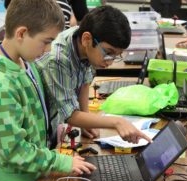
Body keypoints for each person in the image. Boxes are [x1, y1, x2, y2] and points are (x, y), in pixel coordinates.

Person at [0, 0, 96, 181]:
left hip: (33, 167)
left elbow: (32, 106)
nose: (48, 50)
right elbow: (14, 151)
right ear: (22, 33)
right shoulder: (0, 84)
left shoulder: (21, 58)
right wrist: (63, 163)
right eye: (46, 41)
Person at [36, 5, 152, 146]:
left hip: (54, 120)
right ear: (87, 39)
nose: (110, 61)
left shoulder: (83, 41)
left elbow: (85, 81)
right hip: (40, 129)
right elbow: (70, 115)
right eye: (108, 52)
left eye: (117, 56)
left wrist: (86, 119)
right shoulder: (58, 60)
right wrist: (117, 122)